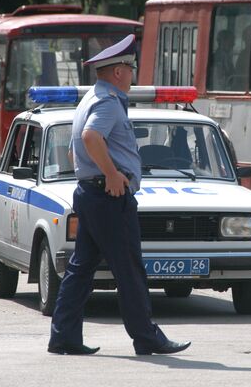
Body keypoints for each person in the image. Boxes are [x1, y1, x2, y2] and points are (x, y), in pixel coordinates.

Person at [47, 34, 191, 356]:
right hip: (109, 198)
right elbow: (90, 137)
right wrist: (111, 175)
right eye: (131, 67)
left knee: (81, 267)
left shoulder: (88, 99)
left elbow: (74, 152)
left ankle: (63, 336)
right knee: (129, 268)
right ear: (117, 72)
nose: (133, 73)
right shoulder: (108, 103)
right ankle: (146, 336)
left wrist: (96, 176)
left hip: (90, 193)